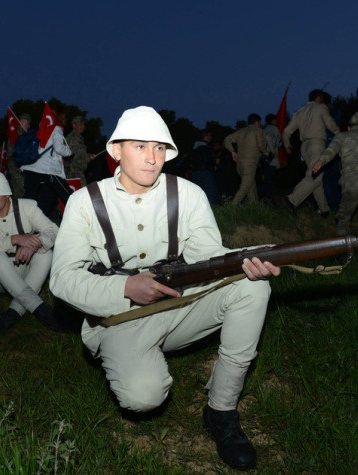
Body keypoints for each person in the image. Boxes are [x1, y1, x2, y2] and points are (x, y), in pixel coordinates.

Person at [50, 106, 280, 470]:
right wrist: (125, 287)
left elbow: (209, 254)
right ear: (116, 151)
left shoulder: (187, 193)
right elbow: (62, 278)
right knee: (143, 397)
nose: (152, 157)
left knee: (252, 287)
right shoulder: (85, 203)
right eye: (140, 146)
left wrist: (243, 259)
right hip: (118, 316)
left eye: (159, 148)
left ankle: (221, 410)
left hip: (179, 305)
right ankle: (138, 359)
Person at [0, 170, 65, 336]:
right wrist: (14, 240)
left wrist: (35, 243)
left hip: (22, 269)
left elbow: (52, 230)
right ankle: (41, 309)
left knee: (45, 253)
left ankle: (12, 314)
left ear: (6, 195)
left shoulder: (28, 207)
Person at [283, 89, 341, 217]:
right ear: (319, 98)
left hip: (304, 147)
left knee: (316, 177)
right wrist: (338, 134)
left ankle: (324, 210)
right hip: (317, 144)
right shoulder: (321, 107)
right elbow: (330, 123)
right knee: (314, 177)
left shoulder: (300, 111)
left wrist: (287, 144)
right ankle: (292, 200)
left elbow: (287, 131)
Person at [21, 108, 73, 219]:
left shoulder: (40, 128)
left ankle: (26, 224)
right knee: (67, 194)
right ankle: (83, 217)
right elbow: (59, 148)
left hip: (30, 166)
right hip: (48, 169)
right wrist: (69, 151)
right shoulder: (56, 129)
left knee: (31, 198)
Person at [224, 113, 268, 205]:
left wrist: (232, 151)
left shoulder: (241, 131)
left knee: (251, 187)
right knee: (244, 187)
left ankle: (254, 207)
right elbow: (261, 145)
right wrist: (267, 153)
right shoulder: (257, 130)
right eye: (259, 122)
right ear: (257, 122)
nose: (260, 124)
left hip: (239, 165)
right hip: (249, 164)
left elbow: (227, 139)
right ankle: (231, 207)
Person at [64, 115, 95, 187]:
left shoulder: (79, 138)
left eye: (84, 124)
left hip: (77, 172)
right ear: (74, 125)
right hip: (73, 173)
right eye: (80, 124)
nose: (83, 126)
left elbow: (80, 153)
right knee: (82, 194)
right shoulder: (73, 138)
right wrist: (87, 159)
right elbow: (73, 156)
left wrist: (89, 155)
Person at [258, 113, 282, 202]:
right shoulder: (274, 129)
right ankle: (257, 196)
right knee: (268, 181)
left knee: (267, 180)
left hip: (263, 158)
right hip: (271, 159)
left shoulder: (263, 129)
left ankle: (268, 199)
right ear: (273, 121)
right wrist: (273, 151)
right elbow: (269, 138)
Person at [190, 129, 218, 204]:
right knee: (210, 193)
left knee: (198, 195)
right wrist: (215, 162)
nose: (210, 137)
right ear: (204, 136)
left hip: (195, 173)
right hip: (205, 172)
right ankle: (214, 211)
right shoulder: (204, 147)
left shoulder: (195, 147)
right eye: (209, 135)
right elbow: (206, 159)